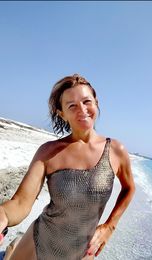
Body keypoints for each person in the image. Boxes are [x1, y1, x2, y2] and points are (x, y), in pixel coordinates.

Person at [0, 74, 135, 260]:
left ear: (96, 102)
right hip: (37, 245)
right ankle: (13, 249)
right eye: (71, 105)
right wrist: (3, 215)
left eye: (87, 101)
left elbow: (129, 188)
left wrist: (109, 226)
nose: (82, 109)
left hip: (82, 253)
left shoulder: (116, 151)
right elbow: (21, 203)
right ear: (61, 113)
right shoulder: (48, 152)